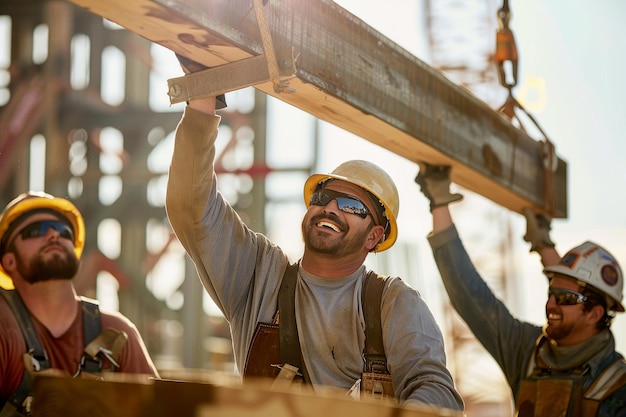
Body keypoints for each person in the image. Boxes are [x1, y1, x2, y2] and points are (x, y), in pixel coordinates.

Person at [164, 66, 463, 411]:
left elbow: (437, 394)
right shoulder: (259, 275)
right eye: (322, 198)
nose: (331, 207)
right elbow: (191, 206)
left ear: (375, 236)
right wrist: (203, 95)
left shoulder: (393, 304)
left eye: (351, 205)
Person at [415, 162, 626, 416]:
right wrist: (439, 204)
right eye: (551, 293)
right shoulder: (528, 351)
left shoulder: (617, 386)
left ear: (595, 314)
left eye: (565, 299)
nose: (551, 304)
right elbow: (470, 295)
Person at [0, 192, 159, 416]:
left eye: (65, 232)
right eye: (36, 230)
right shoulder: (4, 329)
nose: (54, 234)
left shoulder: (118, 335)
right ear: (9, 260)